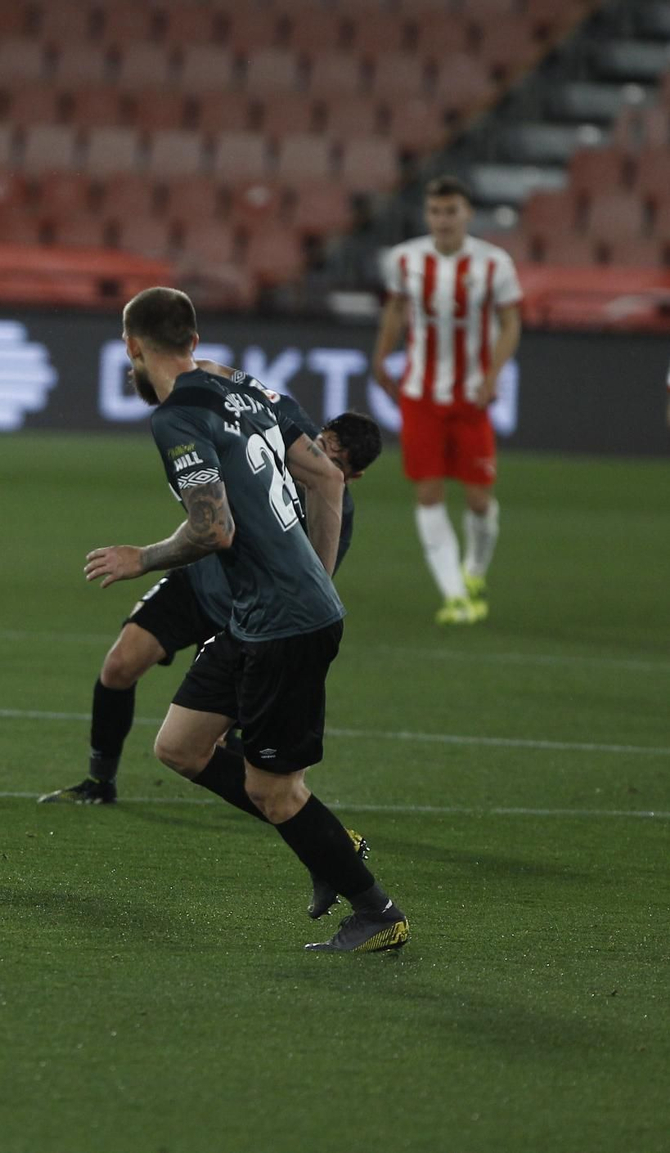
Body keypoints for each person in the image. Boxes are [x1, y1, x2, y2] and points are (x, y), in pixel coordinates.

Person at [85, 287, 409, 953]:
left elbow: (216, 528)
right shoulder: (248, 390)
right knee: (179, 746)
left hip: (283, 622)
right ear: (195, 340)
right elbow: (325, 476)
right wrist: (319, 575)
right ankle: (324, 851)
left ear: (133, 347)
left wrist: (139, 557)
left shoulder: (176, 417)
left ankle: (377, 910)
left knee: (272, 787)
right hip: (259, 615)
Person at [41, 406, 381, 809]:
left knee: (208, 742)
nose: (323, 462)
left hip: (249, 615)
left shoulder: (332, 509)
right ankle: (100, 781)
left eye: (337, 464)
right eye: (322, 447)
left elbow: (313, 585)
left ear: (353, 476)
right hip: (199, 580)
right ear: (316, 434)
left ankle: (285, 806)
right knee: (119, 665)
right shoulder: (277, 441)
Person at [372, 174, 522, 625]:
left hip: (471, 395)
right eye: (435, 211)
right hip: (421, 394)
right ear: (427, 214)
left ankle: (474, 571)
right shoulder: (406, 259)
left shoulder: (494, 264)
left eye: (451, 211)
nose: (442, 219)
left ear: (468, 214)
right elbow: (397, 309)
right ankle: (454, 594)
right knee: (429, 491)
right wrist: (381, 358)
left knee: (479, 498)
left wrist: (493, 375)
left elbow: (510, 322)